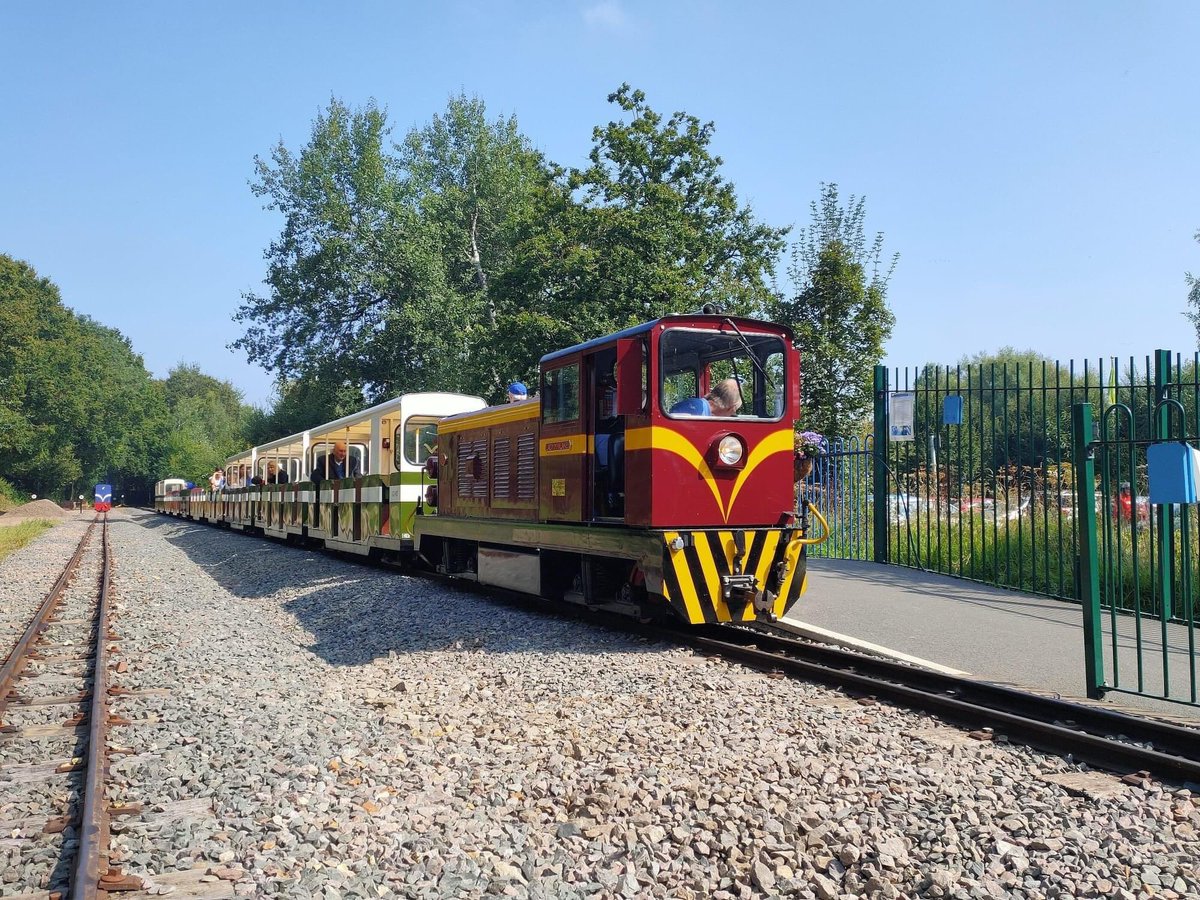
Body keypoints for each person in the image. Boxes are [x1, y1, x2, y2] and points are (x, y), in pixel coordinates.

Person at [669, 378, 743, 417]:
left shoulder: (699, 407)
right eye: (734, 411)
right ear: (731, 408)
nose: (732, 415)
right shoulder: (695, 411)